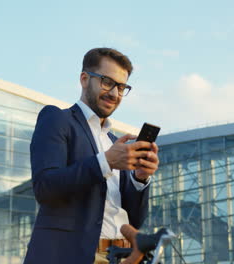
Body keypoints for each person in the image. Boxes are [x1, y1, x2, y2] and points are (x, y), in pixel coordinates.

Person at [23, 48, 160, 264]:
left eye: (121, 87)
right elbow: (45, 187)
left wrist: (140, 178)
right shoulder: (57, 120)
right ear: (85, 79)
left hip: (123, 256)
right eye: (107, 82)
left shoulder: (116, 144)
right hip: (73, 256)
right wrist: (105, 162)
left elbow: (133, 219)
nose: (114, 93)